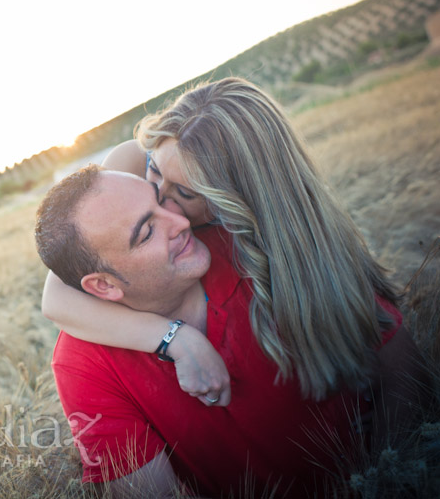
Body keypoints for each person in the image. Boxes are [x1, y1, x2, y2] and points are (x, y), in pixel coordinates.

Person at [36, 78, 427, 495]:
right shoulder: (134, 165)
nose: (172, 210)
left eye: (184, 194)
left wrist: (386, 475)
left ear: (231, 203)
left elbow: (400, 363)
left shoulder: (271, 249)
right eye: (153, 179)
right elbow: (62, 287)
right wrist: (173, 339)